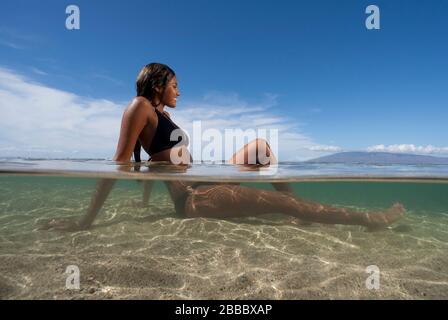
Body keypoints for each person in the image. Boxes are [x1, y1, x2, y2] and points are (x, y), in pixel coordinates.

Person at [42, 63, 405, 231]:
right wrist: (84, 221)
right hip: (195, 199)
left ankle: (297, 211)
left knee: (262, 146)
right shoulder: (139, 106)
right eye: (175, 85)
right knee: (279, 203)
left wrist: (146, 198)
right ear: (157, 86)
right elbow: (120, 163)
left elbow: (154, 162)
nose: (179, 91)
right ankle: (366, 220)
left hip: (202, 182)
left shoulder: (157, 114)